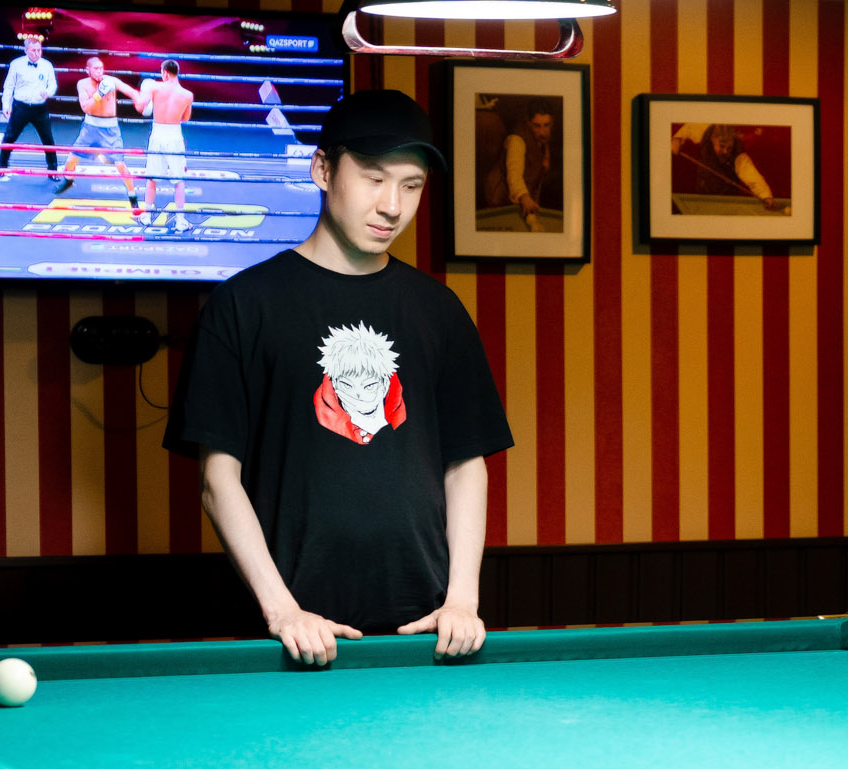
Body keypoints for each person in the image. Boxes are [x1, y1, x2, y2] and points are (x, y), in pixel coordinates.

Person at [162, 89, 514, 666]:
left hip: (424, 629)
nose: (392, 206)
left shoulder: (439, 310)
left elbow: (465, 465)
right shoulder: (243, 306)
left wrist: (461, 600)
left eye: (411, 186)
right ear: (323, 170)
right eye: (374, 179)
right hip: (289, 634)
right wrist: (283, 612)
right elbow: (217, 481)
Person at [69, 54, 143, 217]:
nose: (100, 71)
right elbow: (85, 107)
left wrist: (139, 100)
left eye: (101, 68)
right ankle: (68, 180)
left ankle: (133, 197)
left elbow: (130, 91)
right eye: (96, 68)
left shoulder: (111, 81)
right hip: (90, 127)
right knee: (71, 159)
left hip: (110, 130)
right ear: (88, 70)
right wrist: (99, 94)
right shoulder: (82, 84)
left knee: (120, 164)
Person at [0, 35, 70, 192]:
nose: (37, 53)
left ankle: (52, 170)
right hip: (20, 107)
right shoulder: (16, 64)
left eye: (39, 50)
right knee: (9, 137)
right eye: (34, 50)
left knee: (48, 139)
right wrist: (5, 104)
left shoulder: (47, 65)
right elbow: (8, 86)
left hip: (39, 108)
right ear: (26, 50)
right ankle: (1, 167)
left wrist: (48, 92)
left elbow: (53, 84)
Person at [133, 59, 194, 229]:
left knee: (152, 178)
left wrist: (138, 95)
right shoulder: (187, 95)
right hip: (174, 135)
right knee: (179, 180)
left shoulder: (154, 87)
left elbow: (141, 106)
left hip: (157, 134)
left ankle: (147, 216)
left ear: (165, 73)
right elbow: (185, 118)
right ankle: (180, 221)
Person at [483, 97, 556, 231]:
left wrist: (546, 156)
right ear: (528, 123)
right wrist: (524, 197)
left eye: (547, 125)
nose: (543, 132)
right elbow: (514, 174)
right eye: (537, 126)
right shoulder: (516, 141)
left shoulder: (541, 139)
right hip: (500, 203)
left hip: (523, 204)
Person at [670, 123, 780, 210]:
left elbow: (751, 176)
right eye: (722, 146)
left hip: (728, 198)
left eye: (729, 147)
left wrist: (766, 196)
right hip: (703, 192)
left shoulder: (738, 153)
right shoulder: (703, 131)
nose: (726, 151)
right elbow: (687, 128)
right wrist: (677, 139)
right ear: (712, 139)